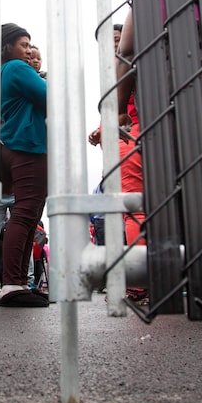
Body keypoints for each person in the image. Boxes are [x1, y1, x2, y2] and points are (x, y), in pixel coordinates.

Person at [87, 18, 147, 303]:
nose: (112, 45)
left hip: (129, 136)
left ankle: (139, 281)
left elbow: (120, 110)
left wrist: (106, 127)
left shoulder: (121, 63)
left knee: (132, 208)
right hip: (143, 131)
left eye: (116, 39)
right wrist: (101, 129)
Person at [0, 23, 49, 307]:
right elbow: (52, 97)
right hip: (26, 144)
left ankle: (19, 282)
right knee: (24, 213)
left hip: (21, 143)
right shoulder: (16, 69)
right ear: (8, 46)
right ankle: (12, 284)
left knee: (28, 215)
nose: (28, 50)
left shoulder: (6, 71)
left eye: (31, 45)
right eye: (23, 45)